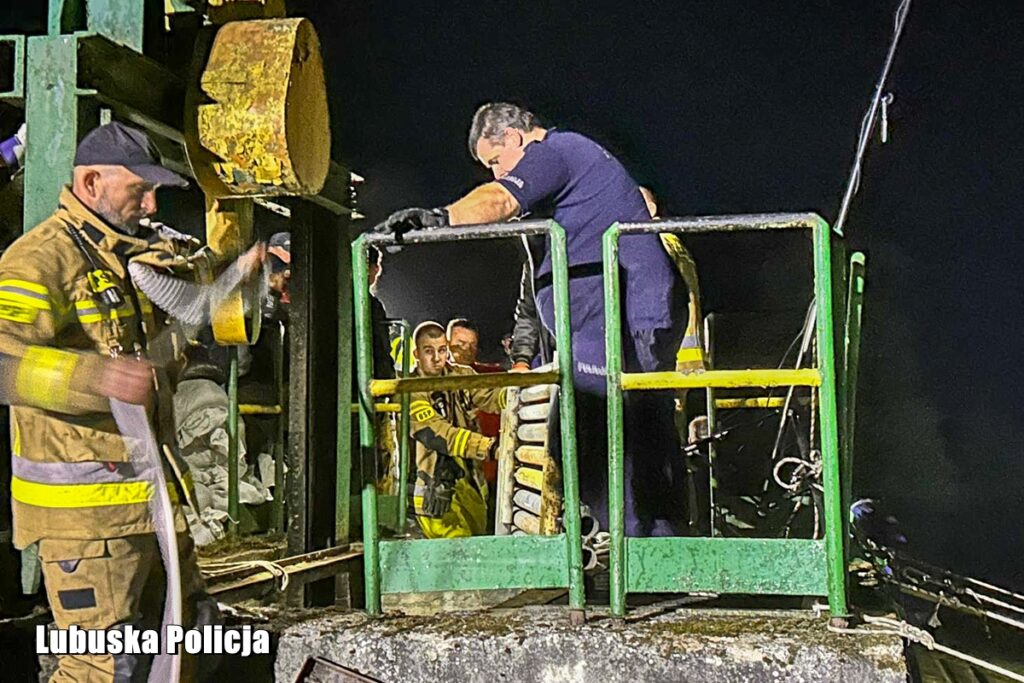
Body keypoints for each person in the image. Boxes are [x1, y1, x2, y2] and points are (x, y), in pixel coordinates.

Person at [0, 122, 257, 680]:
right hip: (87, 525)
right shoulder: (42, 260)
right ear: (91, 182)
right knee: (104, 666)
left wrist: (239, 276)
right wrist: (96, 377)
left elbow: (154, 349)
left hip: (151, 502)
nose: (151, 202)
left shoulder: (118, 257)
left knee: (189, 646)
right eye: (138, 189)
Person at [377, 102, 688, 537]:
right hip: (616, 316)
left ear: (516, 139)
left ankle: (636, 552)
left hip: (617, 318)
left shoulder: (553, 151)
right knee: (634, 430)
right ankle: (657, 548)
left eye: (495, 162)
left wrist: (441, 218)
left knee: (594, 433)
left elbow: (501, 198)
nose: (494, 174)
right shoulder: (572, 167)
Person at [409, 321, 505, 538]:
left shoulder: (460, 375)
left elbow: (490, 396)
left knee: (478, 547)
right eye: (428, 351)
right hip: (436, 490)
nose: (437, 358)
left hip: (471, 485)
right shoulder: (409, 388)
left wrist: (520, 392)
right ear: (416, 353)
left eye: (441, 350)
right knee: (460, 556)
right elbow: (437, 433)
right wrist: (489, 448)